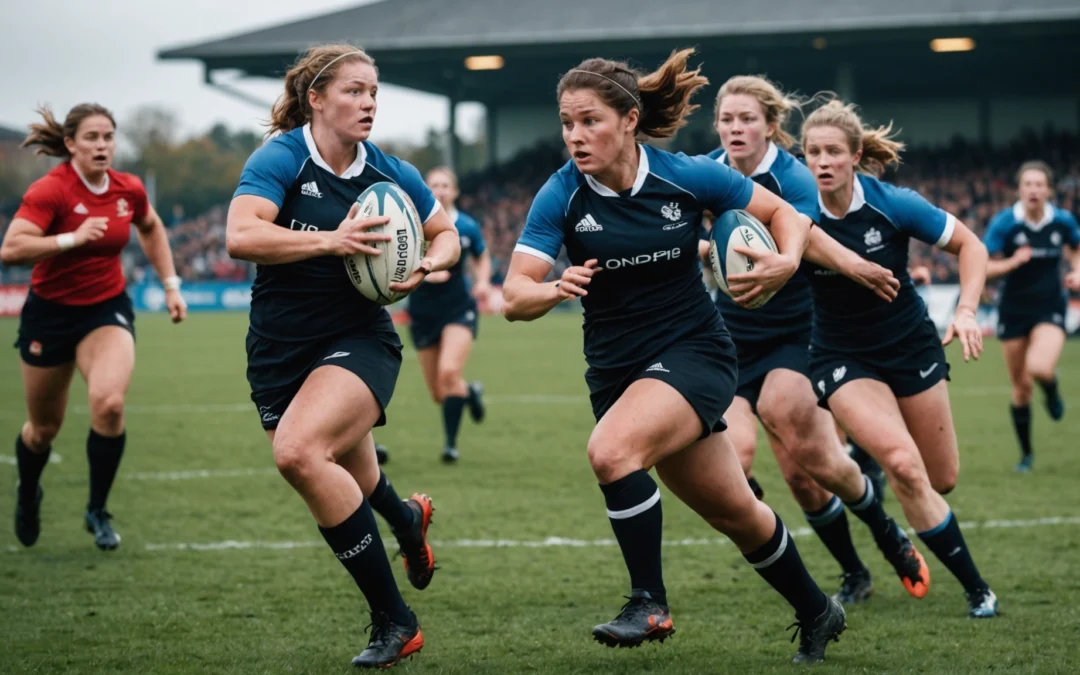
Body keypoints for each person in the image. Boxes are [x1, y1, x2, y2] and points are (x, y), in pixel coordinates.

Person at [503, 49, 846, 664]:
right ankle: (819, 610)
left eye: (589, 121)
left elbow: (785, 215)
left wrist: (787, 258)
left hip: (696, 352)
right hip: (616, 371)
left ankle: (648, 601)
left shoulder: (688, 176)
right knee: (738, 511)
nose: (575, 136)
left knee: (610, 453)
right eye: (567, 123)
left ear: (629, 120)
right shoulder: (560, 194)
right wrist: (550, 289)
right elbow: (513, 294)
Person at [225, 44, 461, 669]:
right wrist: (333, 240)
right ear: (317, 99)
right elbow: (240, 234)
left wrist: (431, 264)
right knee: (352, 474)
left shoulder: (390, 172)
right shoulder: (281, 157)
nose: (368, 103)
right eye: (354, 91)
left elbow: (448, 234)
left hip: (360, 339)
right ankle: (406, 520)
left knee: (300, 454)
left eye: (374, 93)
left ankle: (395, 622)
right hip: (279, 348)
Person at [701, 76, 928, 605]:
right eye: (727, 119)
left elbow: (813, 235)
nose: (736, 128)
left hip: (795, 333)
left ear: (772, 127)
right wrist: (705, 250)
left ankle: (887, 534)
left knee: (810, 468)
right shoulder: (705, 172)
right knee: (734, 456)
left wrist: (851, 265)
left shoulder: (794, 177)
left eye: (747, 119)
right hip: (729, 336)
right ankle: (853, 572)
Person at [800, 98, 999, 618]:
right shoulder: (794, 214)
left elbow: (973, 247)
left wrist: (968, 310)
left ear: (856, 154)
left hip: (910, 345)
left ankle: (878, 463)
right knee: (906, 466)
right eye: (811, 152)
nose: (821, 162)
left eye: (832, 152)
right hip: (840, 355)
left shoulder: (894, 202)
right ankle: (979, 590)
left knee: (942, 478)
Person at [1, 103, 187, 551]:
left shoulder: (129, 189)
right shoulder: (51, 190)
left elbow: (152, 227)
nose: (102, 146)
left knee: (109, 405)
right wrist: (71, 238)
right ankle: (29, 491)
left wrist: (171, 285)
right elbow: (12, 249)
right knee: (43, 430)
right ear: (70, 145)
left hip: (106, 309)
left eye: (108, 137)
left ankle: (97, 510)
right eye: (91, 138)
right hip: (50, 314)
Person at [983, 161, 1080, 472]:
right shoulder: (1005, 223)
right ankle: (1026, 454)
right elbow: (985, 267)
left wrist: (1077, 271)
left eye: (1040, 184)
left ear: (1049, 190)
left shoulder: (1062, 221)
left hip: (1049, 306)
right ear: (1019, 190)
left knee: (1038, 368)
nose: (1034, 190)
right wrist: (1011, 263)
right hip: (1012, 311)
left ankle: (1051, 389)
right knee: (1021, 387)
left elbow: (1076, 249)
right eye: (1028, 184)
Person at [407, 167, 491, 463]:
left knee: (448, 373)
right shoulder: (411, 225)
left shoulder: (466, 226)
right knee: (439, 393)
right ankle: (469, 393)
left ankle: (450, 446)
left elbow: (482, 257)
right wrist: (424, 273)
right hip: (422, 312)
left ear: (454, 191)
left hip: (458, 308)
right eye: (434, 185)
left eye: (445, 185)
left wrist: (482, 282)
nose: (440, 190)